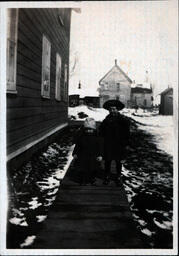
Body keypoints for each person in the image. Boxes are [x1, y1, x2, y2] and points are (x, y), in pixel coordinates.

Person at [99, 100, 130, 185]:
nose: (112, 111)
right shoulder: (106, 120)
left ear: (118, 110)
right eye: (111, 109)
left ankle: (118, 176)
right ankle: (107, 176)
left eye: (114, 109)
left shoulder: (122, 120)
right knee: (108, 161)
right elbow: (101, 131)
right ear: (109, 110)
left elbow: (127, 133)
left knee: (118, 161)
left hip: (119, 144)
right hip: (108, 144)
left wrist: (126, 143)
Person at [73, 118, 103, 185]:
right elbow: (77, 146)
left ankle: (92, 178)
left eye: (90, 129)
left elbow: (100, 147)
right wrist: (75, 153)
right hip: (83, 155)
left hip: (93, 155)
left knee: (93, 168)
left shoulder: (97, 137)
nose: (88, 131)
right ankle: (83, 179)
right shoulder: (82, 137)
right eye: (87, 129)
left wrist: (100, 155)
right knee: (83, 168)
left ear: (94, 129)